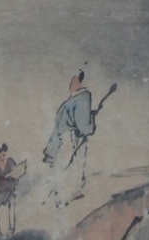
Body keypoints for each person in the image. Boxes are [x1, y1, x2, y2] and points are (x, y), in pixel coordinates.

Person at [42, 69, 112, 205]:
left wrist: (90, 117)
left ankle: (63, 198)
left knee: (68, 168)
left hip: (69, 139)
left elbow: (83, 126)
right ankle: (61, 199)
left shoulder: (81, 98)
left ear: (80, 82)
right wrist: (91, 116)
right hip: (66, 140)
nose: (70, 84)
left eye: (73, 81)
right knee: (67, 169)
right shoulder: (77, 99)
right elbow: (83, 126)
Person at [0, 143, 26, 232]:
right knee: (2, 216)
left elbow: (17, 175)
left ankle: (11, 231)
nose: (2, 158)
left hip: (10, 193)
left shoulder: (10, 163)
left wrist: (11, 182)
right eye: (0, 156)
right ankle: (3, 234)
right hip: (0, 196)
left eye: (3, 155)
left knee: (11, 214)